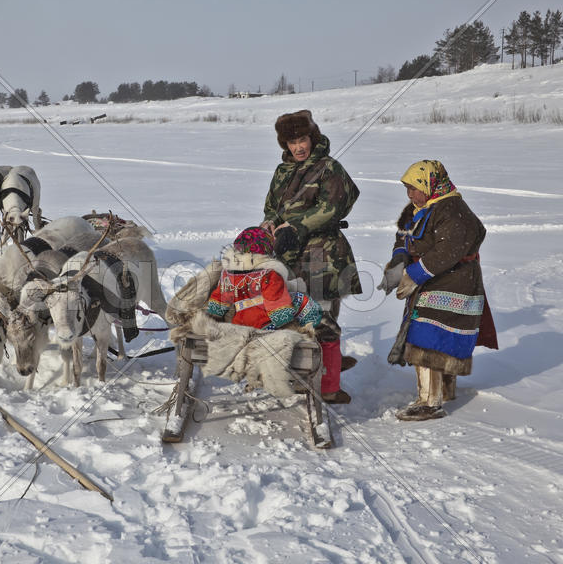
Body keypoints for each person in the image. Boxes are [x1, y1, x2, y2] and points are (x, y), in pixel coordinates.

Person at [377, 160, 498, 421]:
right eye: (407, 189)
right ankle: (443, 389)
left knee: (427, 338)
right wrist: (399, 261)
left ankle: (430, 402)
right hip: (435, 282)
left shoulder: (452, 210)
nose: (410, 195)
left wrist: (414, 274)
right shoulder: (422, 207)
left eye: (413, 188)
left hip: (455, 283)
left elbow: (448, 251)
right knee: (434, 335)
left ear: (429, 185)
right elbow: (404, 237)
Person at [260, 110, 361, 403]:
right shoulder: (282, 172)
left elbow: (334, 206)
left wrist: (297, 224)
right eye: (292, 142)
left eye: (302, 139)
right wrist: (269, 222)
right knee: (290, 315)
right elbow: (271, 207)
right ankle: (303, 370)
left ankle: (329, 386)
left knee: (323, 318)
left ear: (312, 137)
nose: (298, 147)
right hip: (288, 254)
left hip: (323, 255)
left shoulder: (329, 168)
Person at [206, 227, 322, 332]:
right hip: (264, 325)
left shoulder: (228, 274)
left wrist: (213, 319)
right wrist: (289, 327)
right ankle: (311, 329)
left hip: (239, 323)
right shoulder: (268, 274)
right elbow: (277, 302)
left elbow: (219, 300)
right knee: (302, 300)